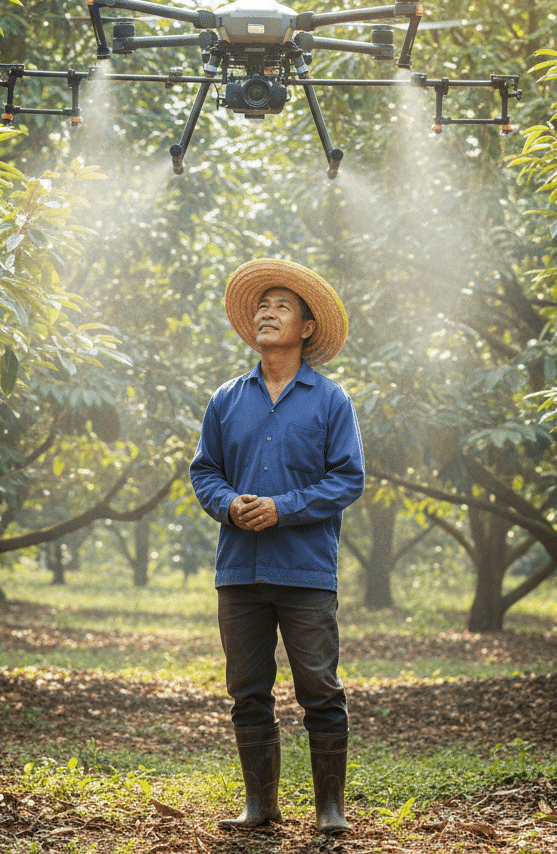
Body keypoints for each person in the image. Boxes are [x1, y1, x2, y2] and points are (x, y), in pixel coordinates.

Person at [189, 258, 365, 835]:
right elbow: (204, 471)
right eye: (262, 306)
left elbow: (348, 477)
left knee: (319, 688)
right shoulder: (226, 398)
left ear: (307, 328)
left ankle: (330, 810)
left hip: (305, 572)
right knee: (247, 690)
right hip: (239, 572)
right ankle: (260, 805)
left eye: (282, 306)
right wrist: (229, 504)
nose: (267, 313)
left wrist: (283, 506)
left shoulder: (331, 401)